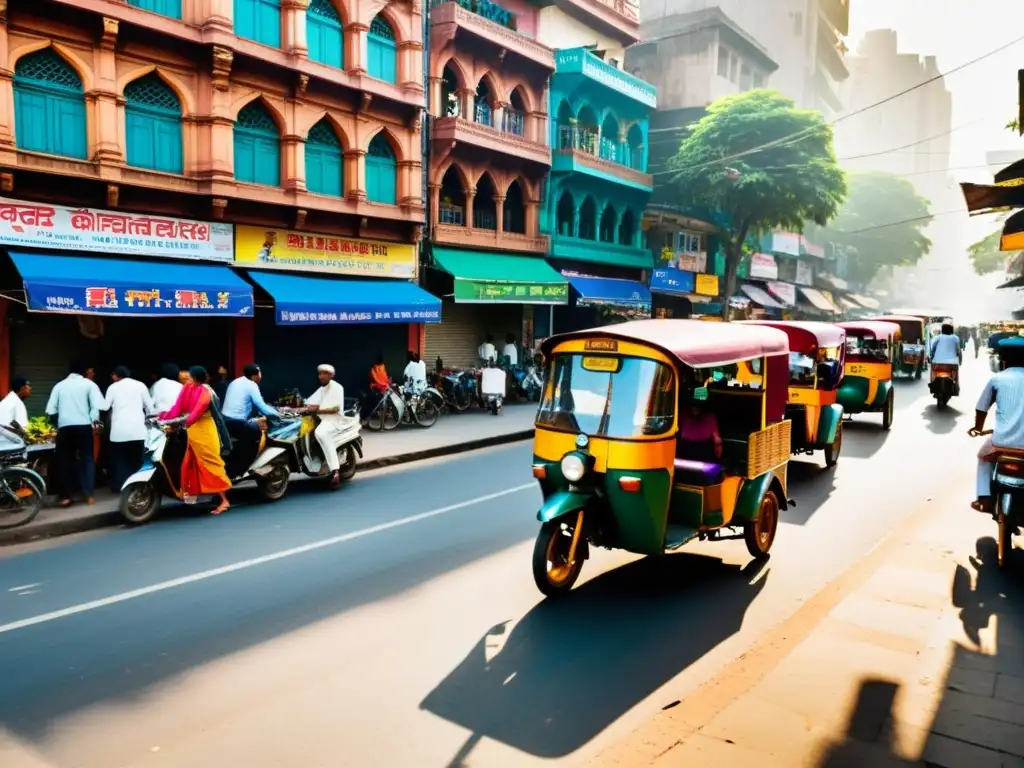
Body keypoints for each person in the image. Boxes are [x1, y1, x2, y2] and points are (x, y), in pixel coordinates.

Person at [161, 366, 231, 514]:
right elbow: (178, 407)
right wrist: (162, 416)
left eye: (189, 376)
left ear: (195, 378)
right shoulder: (187, 388)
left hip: (205, 431)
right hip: (192, 432)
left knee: (211, 464)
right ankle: (194, 496)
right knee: (191, 463)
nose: (186, 378)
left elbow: (195, 414)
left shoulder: (206, 392)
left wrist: (178, 422)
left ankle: (224, 501)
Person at [970, 337, 1024, 514]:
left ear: (1003, 360)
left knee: (982, 457)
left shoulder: (997, 379)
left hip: (1001, 444)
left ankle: (984, 499)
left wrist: (978, 428)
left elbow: (981, 408)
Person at [46, 361, 104, 507]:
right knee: (87, 459)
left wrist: (58, 425)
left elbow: (51, 410)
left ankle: (66, 496)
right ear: (85, 371)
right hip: (84, 427)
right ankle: (88, 494)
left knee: (65, 460)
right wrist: (94, 423)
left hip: (65, 428)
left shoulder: (59, 386)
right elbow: (97, 406)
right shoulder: (89, 385)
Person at [103, 365, 155, 492]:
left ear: (116, 375)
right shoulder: (140, 385)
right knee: (137, 460)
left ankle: (121, 487)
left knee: (119, 461)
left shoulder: (112, 387)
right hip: (137, 431)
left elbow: (105, 407)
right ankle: (138, 488)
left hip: (118, 433)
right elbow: (151, 407)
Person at [221, 363, 278, 471]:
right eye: (260, 373)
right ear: (256, 375)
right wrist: (278, 415)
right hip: (237, 423)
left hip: (225, 421)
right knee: (255, 434)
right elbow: (261, 406)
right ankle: (242, 468)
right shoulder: (252, 385)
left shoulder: (235, 382)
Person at [306, 364, 346, 487]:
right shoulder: (322, 389)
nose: (321, 376)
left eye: (324, 373)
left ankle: (335, 470)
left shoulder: (337, 387)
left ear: (331, 375)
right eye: (320, 373)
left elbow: (334, 409)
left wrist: (315, 410)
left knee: (321, 433)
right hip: (322, 420)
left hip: (334, 420)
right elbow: (310, 402)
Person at [677, 386, 722, 463]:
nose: (695, 407)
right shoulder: (682, 415)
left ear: (702, 405)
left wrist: (717, 461)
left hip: (704, 456)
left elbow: (717, 441)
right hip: (686, 455)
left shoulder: (709, 417)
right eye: (693, 404)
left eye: (698, 404)